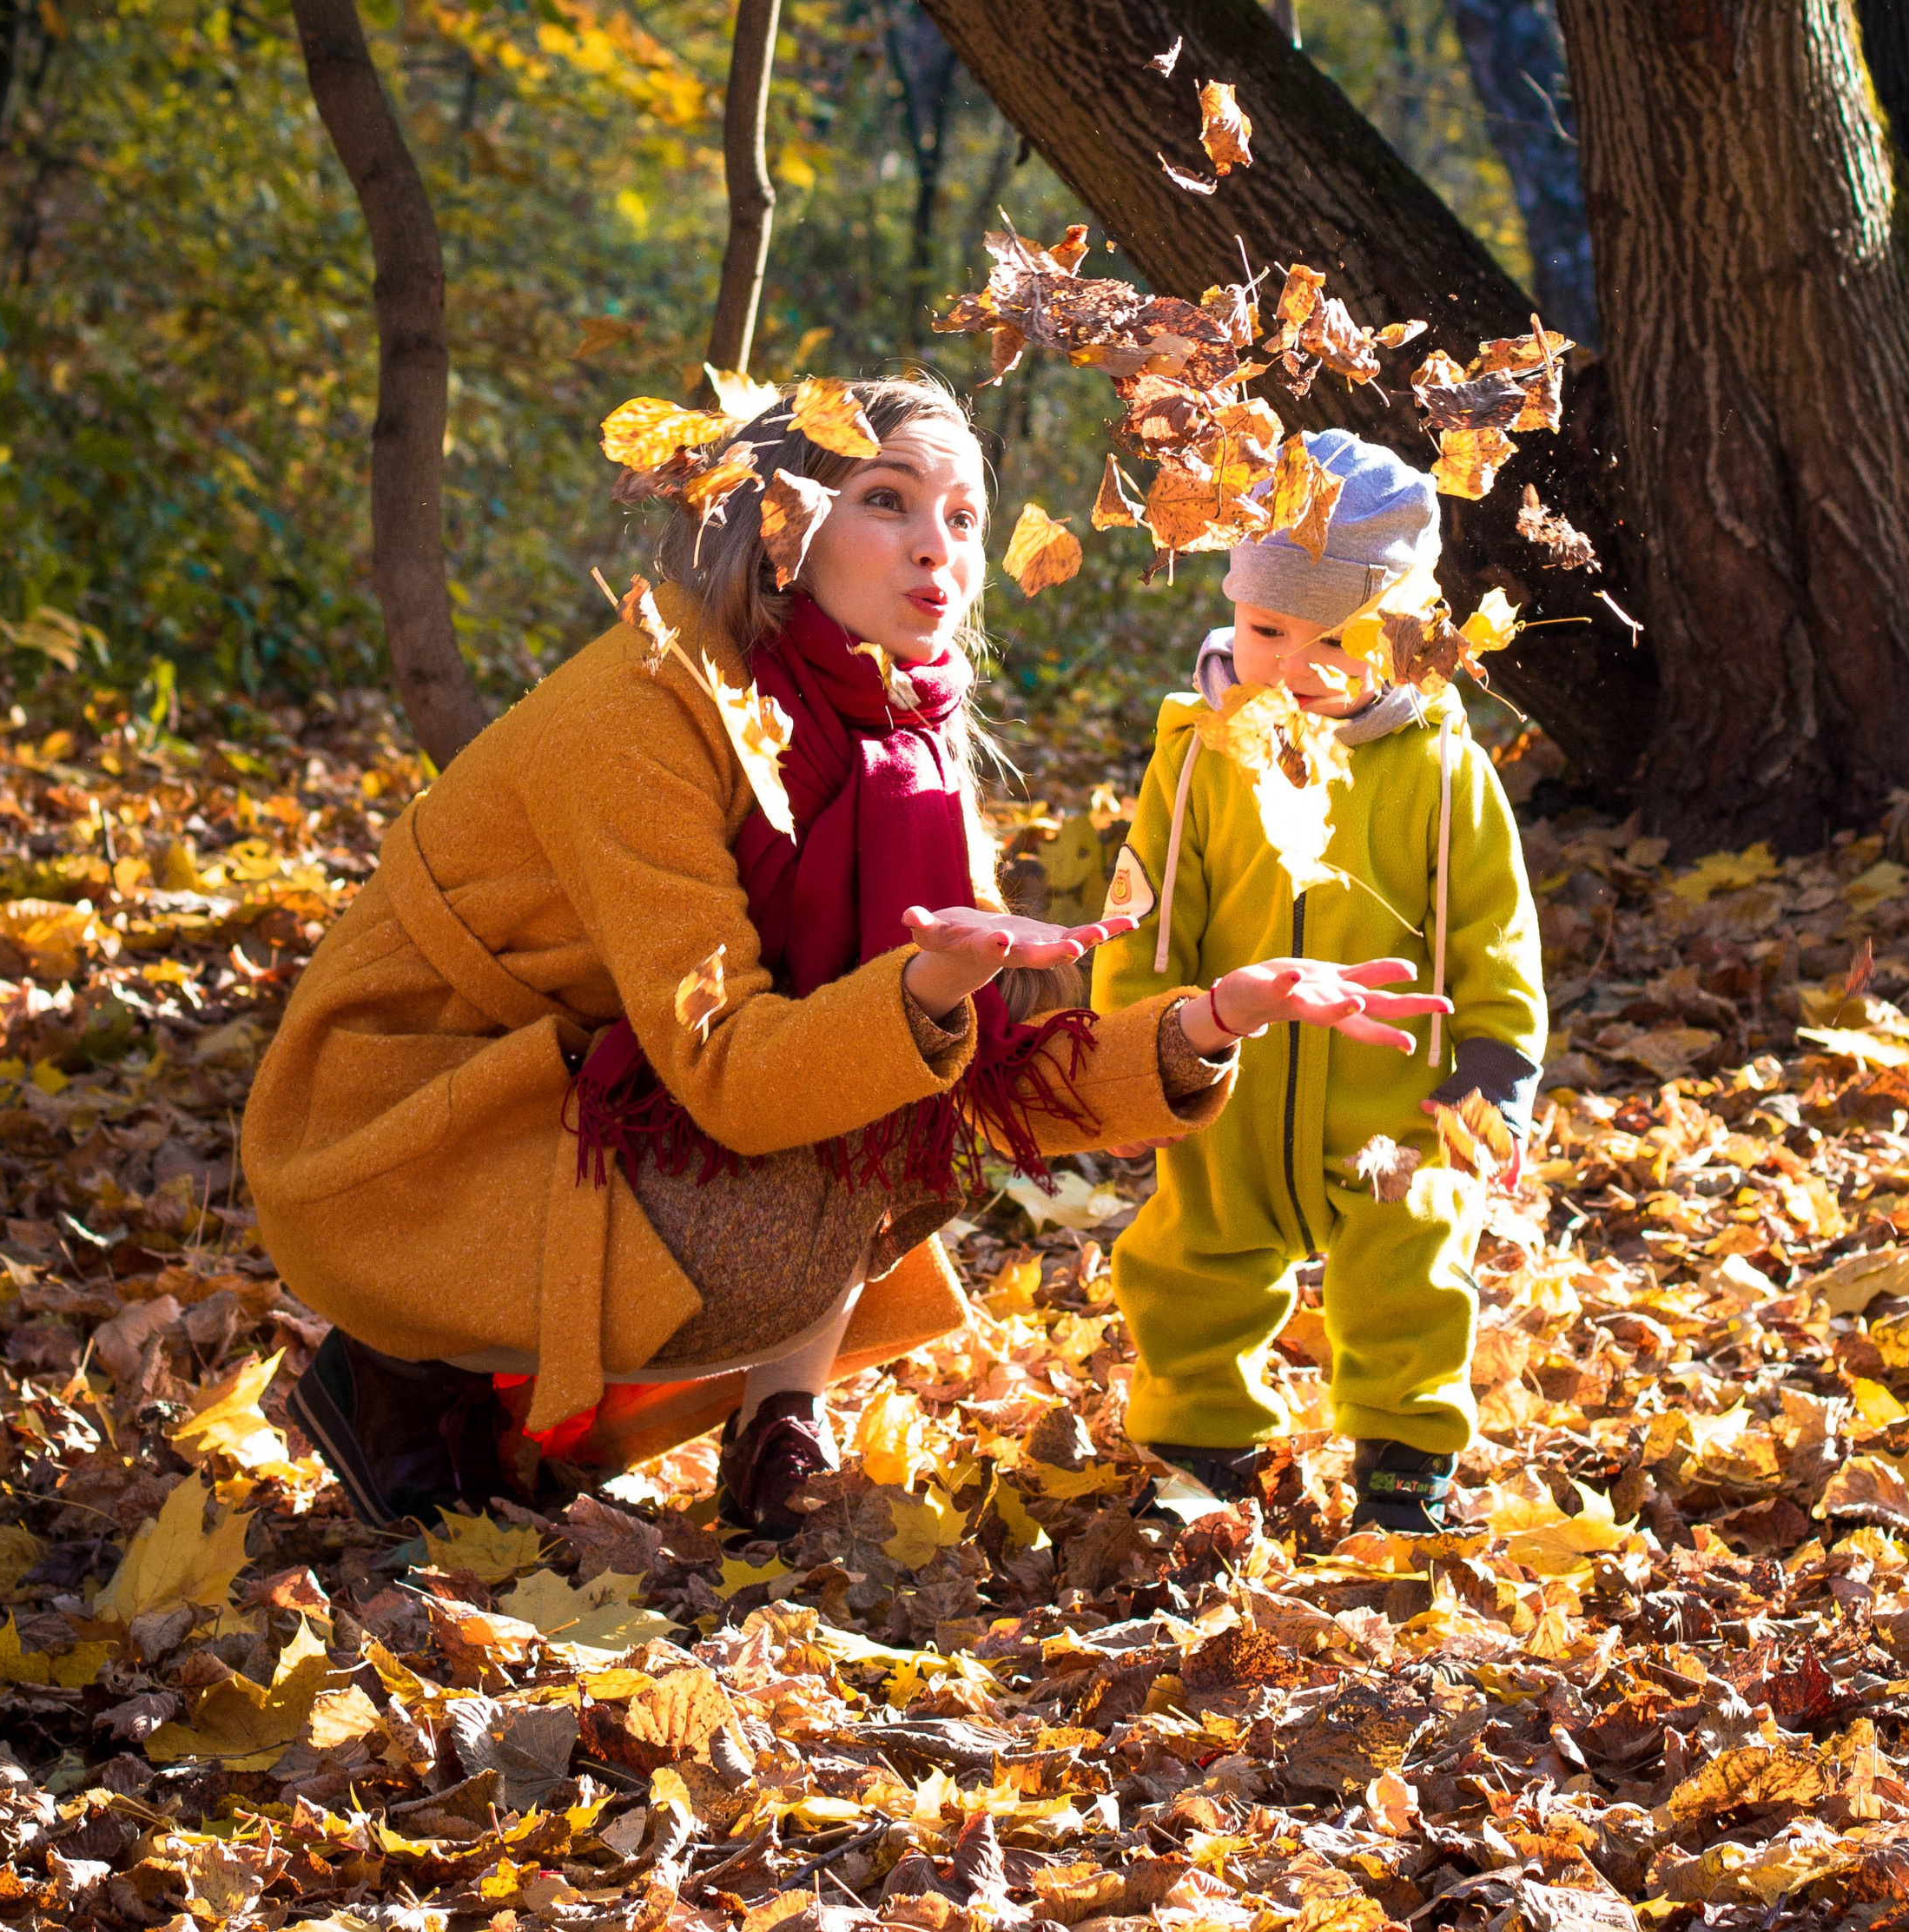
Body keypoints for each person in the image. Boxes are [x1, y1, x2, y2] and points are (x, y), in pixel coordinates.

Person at [241, 378, 1444, 1535]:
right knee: (836, 1152)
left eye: (964, 518)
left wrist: (1209, 1023)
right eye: (888, 498)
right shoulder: (646, 709)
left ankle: (773, 1425)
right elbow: (734, 1071)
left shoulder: (901, 740)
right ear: (784, 524)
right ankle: (414, 1363)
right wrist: (920, 994)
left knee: (912, 1100)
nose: (940, 547)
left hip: (577, 1080)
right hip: (396, 1128)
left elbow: (996, 1085)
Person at [1093, 427, 1547, 1535]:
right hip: (1231, 1080)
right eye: (1266, 629)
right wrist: (1139, 1046)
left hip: (1399, 1089)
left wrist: (1493, 1073)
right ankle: (1201, 1448)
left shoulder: (1444, 769)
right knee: (1193, 1255)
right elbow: (1149, 912)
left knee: (1412, 1264)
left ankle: (1404, 1457)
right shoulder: (1200, 753)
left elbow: (1494, 929)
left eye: (1341, 640)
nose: (1298, 666)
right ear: (1233, 609)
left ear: (1408, 633)